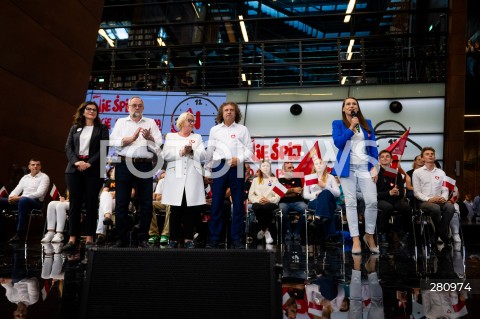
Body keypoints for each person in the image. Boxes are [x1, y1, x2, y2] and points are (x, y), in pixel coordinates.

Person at [110, 96, 163, 248]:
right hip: (124, 164)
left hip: (144, 165)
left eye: (140, 105)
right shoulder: (121, 122)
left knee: (146, 203)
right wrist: (130, 139)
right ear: (128, 107)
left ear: (143, 108)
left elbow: (158, 145)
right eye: (134, 105)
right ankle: (121, 238)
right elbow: (113, 142)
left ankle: (143, 238)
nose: (137, 108)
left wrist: (150, 138)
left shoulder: (150, 123)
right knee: (121, 203)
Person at [332, 97, 379, 254]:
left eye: (354, 104)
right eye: (348, 104)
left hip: (365, 167)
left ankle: (369, 235)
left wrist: (374, 167)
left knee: (372, 201)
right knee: (351, 203)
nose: (351, 106)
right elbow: (338, 143)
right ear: (344, 109)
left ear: (357, 108)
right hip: (347, 168)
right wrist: (351, 126)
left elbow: (373, 147)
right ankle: (356, 239)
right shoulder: (338, 124)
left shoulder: (367, 123)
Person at [62, 101, 109, 252]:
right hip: (74, 170)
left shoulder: (102, 128)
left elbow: (104, 149)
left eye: (94, 109)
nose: (91, 111)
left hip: (94, 170)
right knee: (74, 205)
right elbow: (68, 147)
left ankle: (89, 238)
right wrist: (76, 162)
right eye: (88, 109)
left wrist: (89, 163)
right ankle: (72, 238)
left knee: (91, 204)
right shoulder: (75, 128)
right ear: (82, 111)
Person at [205, 101, 253, 249]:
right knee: (217, 203)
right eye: (226, 110)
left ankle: (236, 239)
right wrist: (207, 170)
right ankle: (214, 239)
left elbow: (249, 150)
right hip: (219, 165)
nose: (229, 112)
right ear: (222, 113)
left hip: (237, 166)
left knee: (238, 204)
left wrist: (239, 159)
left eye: (232, 110)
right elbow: (210, 151)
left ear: (236, 113)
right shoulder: (215, 130)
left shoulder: (242, 129)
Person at [161, 112, 206, 248]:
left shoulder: (197, 137)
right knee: (175, 209)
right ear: (181, 123)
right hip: (175, 177)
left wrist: (192, 151)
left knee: (190, 209)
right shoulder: (171, 136)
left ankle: (188, 239)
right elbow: (165, 155)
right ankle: (173, 239)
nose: (192, 123)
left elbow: (203, 154)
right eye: (190, 120)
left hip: (192, 177)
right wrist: (180, 152)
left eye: (193, 121)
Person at [0, 158, 50, 243]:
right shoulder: (25, 177)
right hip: (22, 201)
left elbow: (40, 193)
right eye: (33, 165)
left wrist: (19, 198)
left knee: (23, 200)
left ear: (40, 167)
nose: (35, 166)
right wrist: (11, 198)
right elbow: (16, 190)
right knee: (1, 200)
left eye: (38, 165)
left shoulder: (44, 177)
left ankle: (19, 234)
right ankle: (1, 232)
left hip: (36, 203)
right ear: (29, 167)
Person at [412, 147, 455, 245]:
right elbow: (416, 192)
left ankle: (438, 232)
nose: (430, 155)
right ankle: (443, 234)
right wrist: (429, 199)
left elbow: (445, 189)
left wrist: (443, 198)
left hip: (440, 200)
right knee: (435, 208)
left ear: (434, 157)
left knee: (450, 207)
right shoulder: (417, 172)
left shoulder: (441, 172)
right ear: (422, 158)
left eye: (432, 154)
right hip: (424, 202)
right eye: (427, 154)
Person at [376, 149, 411, 245]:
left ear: (391, 159)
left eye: (387, 156)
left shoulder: (396, 173)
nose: (385, 158)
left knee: (407, 208)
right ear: (379, 160)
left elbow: (401, 192)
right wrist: (389, 193)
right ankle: (382, 233)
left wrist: (397, 193)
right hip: (381, 199)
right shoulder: (375, 173)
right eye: (382, 157)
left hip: (395, 199)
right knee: (388, 208)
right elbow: (374, 193)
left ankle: (405, 233)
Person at [303, 158, 341, 244]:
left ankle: (318, 218)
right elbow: (305, 195)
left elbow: (338, 193)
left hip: (329, 202)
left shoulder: (331, 177)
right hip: (314, 202)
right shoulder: (309, 178)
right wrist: (315, 194)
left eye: (321, 163)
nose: (319, 165)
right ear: (314, 167)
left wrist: (325, 186)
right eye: (316, 164)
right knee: (327, 205)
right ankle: (330, 236)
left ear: (325, 166)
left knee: (326, 192)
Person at [248, 160, 281, 246]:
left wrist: (269, 200)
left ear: (270, 168)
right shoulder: (255, 180)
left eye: (267, 166)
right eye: (263, 166)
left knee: (266, 207)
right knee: (256, 207)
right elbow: (250, 195)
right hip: (259, 201)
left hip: (270, 202)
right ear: (260, 168)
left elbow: (278, 196)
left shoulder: (275, 179)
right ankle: (266, 231)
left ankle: (263, 230)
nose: (265, 167)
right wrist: (259, 199)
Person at [278, 162, 307, 245]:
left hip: (297, 201)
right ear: (284, 170)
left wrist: (286, 191)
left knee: (305, 209)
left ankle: (297, 232)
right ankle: (288, 232)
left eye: (292, 167)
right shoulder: (279, 180)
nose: (292, 169)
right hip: (284, 202)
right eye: (289, 168)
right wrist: (293, 190)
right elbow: (280, 193)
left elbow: (298, 191)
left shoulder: (297, 178)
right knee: (281, 210)